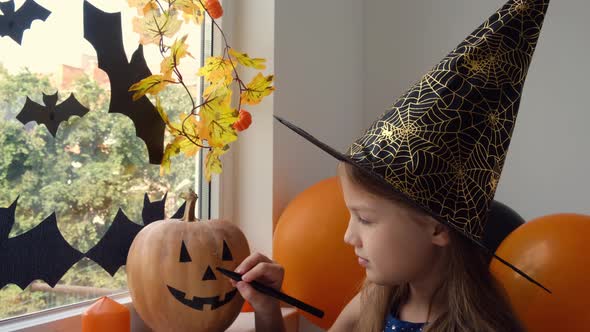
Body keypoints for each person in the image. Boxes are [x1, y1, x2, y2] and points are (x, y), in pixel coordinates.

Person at [226, 0, 551, 330]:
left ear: (438, 227)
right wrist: (267, 310)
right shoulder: (376, 299)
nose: (348, 236)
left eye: (365, 219)